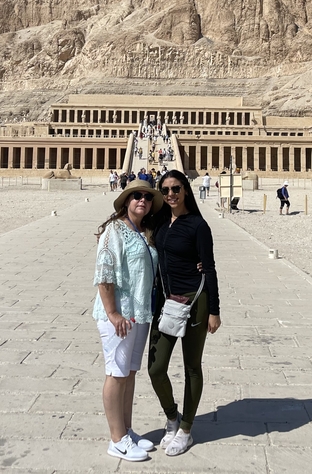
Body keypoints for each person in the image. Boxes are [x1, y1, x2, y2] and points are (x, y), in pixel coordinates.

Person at [148, 170, 221, 456]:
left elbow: (210, 268)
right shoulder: (159, 222)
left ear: (186, 190)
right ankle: (172, 416)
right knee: (156, 368)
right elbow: (132, 220)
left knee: (192, 366)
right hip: (166, 302)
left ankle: (187, 429)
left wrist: (214, 311)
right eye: (165, 190)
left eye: (176, 188)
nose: (171, 194)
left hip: (194, 302)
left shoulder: (198, 225)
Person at [93, 179, 164, 461]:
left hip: (139, 314)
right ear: (126, 201)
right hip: (119, 316)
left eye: (147, 196)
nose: (142, 200)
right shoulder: (114, 230)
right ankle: (116, 440)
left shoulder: (145, 232)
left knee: (129, 373)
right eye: (136, 195)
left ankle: (126, 430)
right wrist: (112, 313)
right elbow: (104, 272)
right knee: (116, 373)